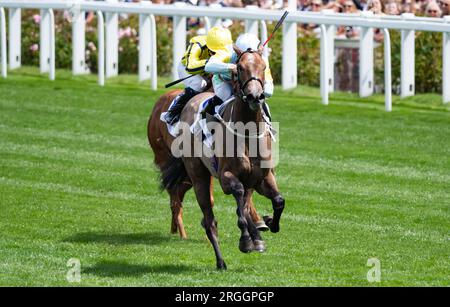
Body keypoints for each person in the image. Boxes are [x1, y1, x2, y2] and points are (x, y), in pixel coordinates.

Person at [201, 32, 274, 119]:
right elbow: (208, 67)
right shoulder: (227, 54)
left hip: (247, 83)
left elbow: (269, 92)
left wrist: (259, 87)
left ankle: (268, 125)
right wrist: (230, 67)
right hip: (224, 80)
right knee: (225, 94)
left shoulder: (262, 61)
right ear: (237, 52)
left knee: (262, 102)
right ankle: (206, 118)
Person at [162, 30, 218, 124]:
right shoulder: (198, 44)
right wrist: (210, 63)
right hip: (186, 69)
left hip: (205, 70)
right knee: (199, 84)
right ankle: (172, 113)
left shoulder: (223, 47)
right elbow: (191, 66)